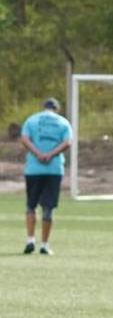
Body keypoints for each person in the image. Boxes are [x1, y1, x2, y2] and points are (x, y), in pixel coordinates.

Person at [21, 96, 72, 256]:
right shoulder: (63, 122)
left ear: (44, 107)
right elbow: (67, 142)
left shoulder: (32, 120)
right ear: (56, 109)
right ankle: (44, 244)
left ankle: (30, 240)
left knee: (31, 206)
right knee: (48, 208)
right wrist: (50, 154)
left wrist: (37, 153)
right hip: (53, 169)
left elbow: (24, 139)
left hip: (33, 169)